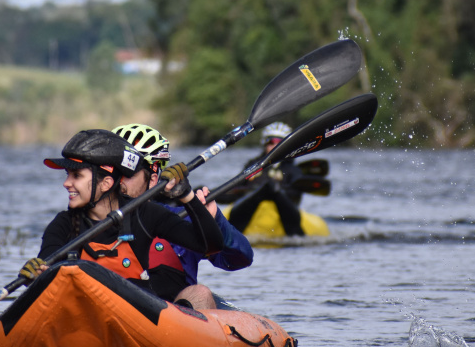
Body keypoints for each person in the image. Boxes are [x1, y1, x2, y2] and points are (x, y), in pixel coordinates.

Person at [18, 129, 224, 303]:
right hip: (88, 312)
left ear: (106, 183)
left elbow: (211, 245)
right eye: (67, 175)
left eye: (77, 176)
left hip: (142, 315)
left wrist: (187, 197)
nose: (67, 183)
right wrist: (37, 274)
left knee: (200, 294)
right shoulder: (64, 223)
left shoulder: (145, 214)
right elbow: (49, 263)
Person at [112, 123, 253, 309]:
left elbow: (239, 258)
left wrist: (216, 220)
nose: (117, 180)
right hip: (113, 311)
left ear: (153, 178)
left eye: (126, 173)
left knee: (200, 294)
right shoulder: (87, 220)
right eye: (112, 170)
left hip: (174, 320)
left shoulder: (179, 220)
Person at [227, 122, 305, 236]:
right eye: (271, 141)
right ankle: (232, 234)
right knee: (263, 188)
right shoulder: (253, 165)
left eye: (279, 142)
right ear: (264, 143)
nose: (274, 146)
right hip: (248, 205)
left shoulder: (292, 169)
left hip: (283, 207)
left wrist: (275, 188)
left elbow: (296, 195)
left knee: (271, 187)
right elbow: (235, 190)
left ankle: (270, 189)